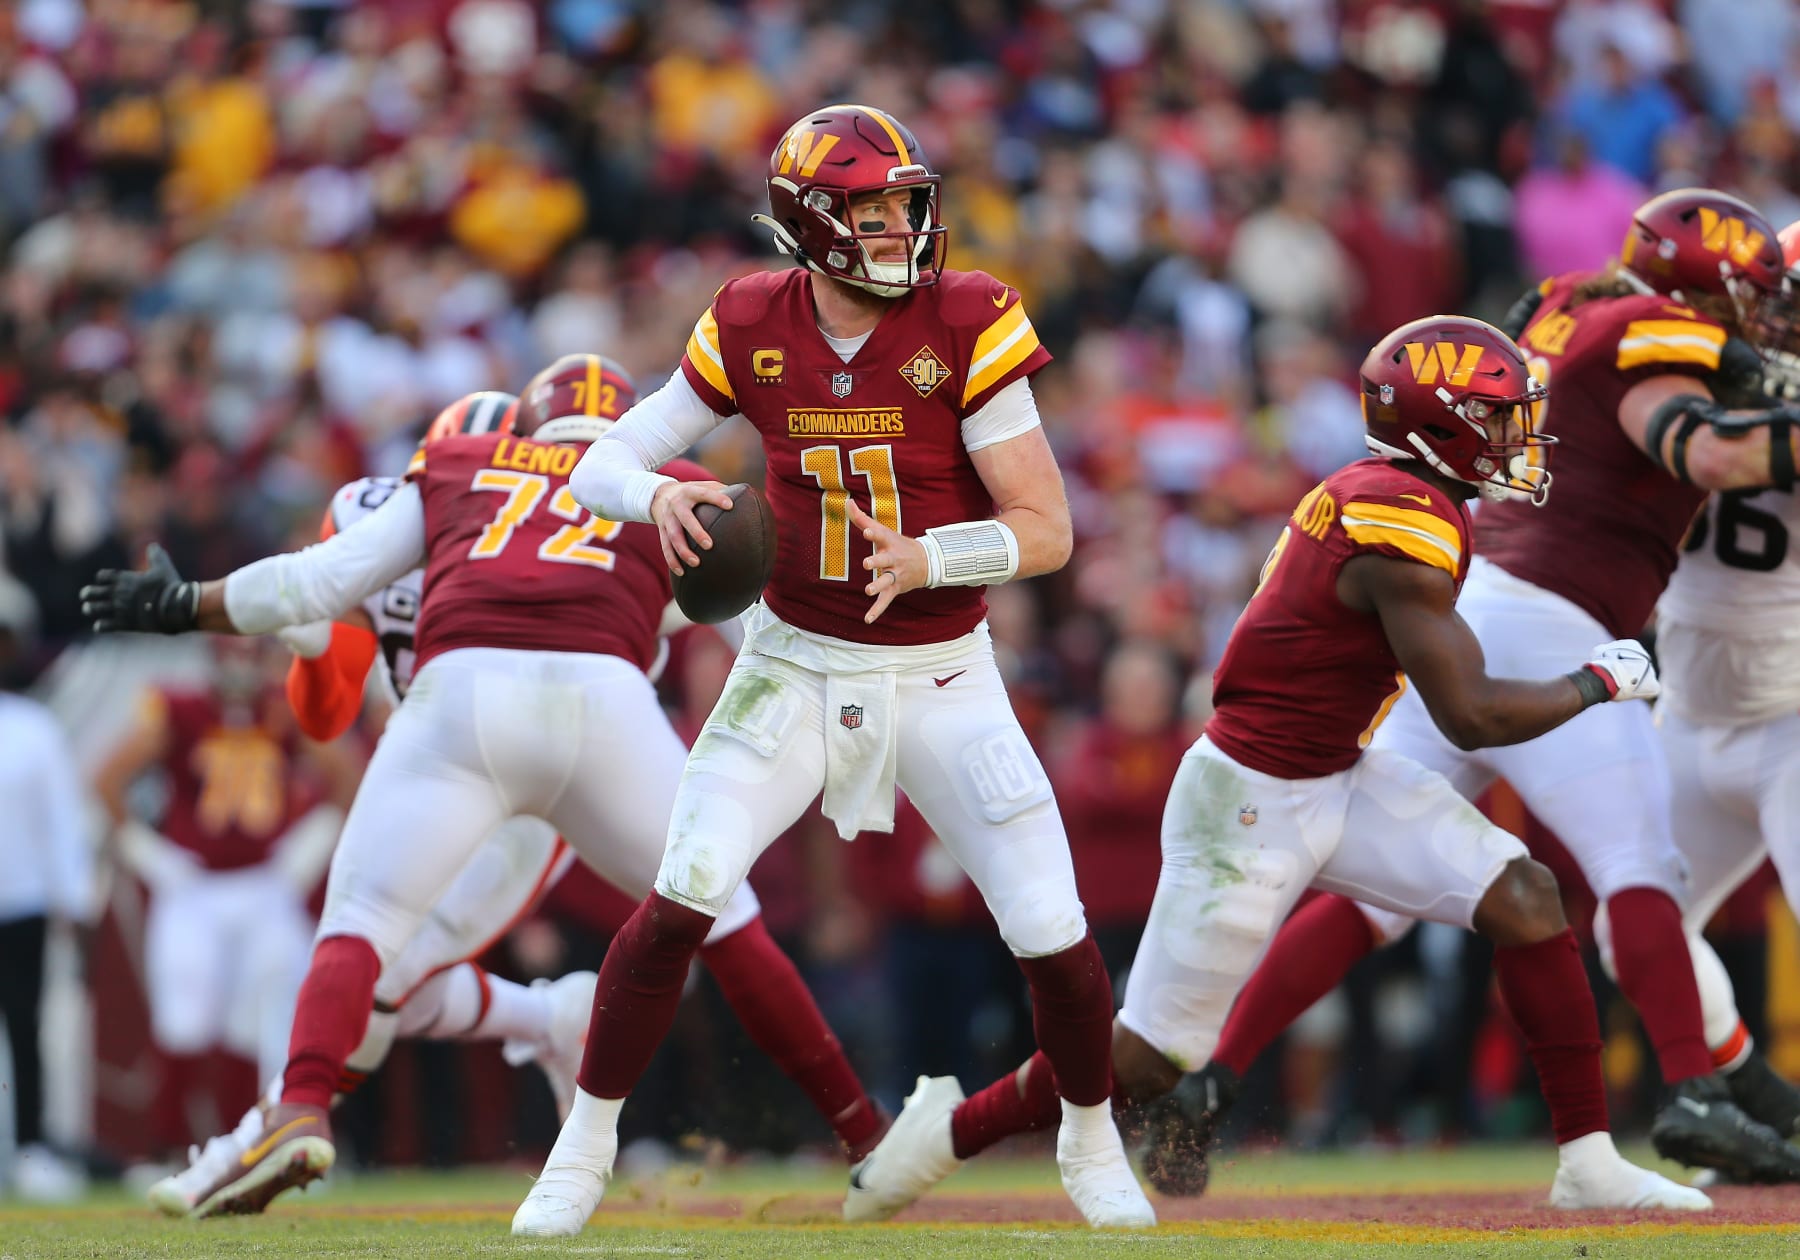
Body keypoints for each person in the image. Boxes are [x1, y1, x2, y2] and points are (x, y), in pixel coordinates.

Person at [849, 315, 1708, 1216]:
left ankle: (1587, 1161)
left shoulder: (1403, 495)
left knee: (1526, 898)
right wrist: (1598, 678)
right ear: (1438, 425)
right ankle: (942, 1137)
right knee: (1143, 1061)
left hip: (1336, 771)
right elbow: (1471, 714)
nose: (1516, 438)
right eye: (1495, 417)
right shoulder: (1399, 523)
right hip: (1251, 801)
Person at [532, 102, 1154, 1235]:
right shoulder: (750, 319)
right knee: (681, 898)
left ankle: (1089, 1139)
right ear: (808, 223)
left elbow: (1048, 528)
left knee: (1053, 933)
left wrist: (931, 554)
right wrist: (659, 492)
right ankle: (581, 1151)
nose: (895, 227)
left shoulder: (968, 315)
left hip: (943, 669)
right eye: (867, 208)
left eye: (900, 203)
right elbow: (607, 458)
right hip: (793, 662)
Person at [79, 366, 884, 1217]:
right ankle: (857, 1126)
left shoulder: (443, 482)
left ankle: (287, 1116)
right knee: (717, 915)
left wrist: (190, 605)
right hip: (592, 720)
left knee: (366, 944)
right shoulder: (645, 493)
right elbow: (743, 612)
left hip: (453, 725)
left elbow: (316, 626)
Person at [1143, 188, 1800, 1189]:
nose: (1764, 317)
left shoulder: (1573, 299)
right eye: (1752, 294)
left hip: (1465, 600)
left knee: (1381, 884)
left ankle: (1215, 1077)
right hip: (1551, 614)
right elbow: (1699, 445)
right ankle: (1692, 1094)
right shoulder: (1659, 338)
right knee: (1638, 864)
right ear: (1702, 287)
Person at [1596, 218, 1800, 1152]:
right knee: (1631, 926)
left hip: (1793, 717)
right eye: (1772, 301)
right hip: (1689, 712)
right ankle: (1766, 1110)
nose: (1774, 322)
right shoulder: (1688, 376)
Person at [93, 634, 360, 1157]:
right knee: (184, 1017)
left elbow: (347, 776)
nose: (238, 665)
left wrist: (306, 847)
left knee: (258, 1019)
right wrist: (150, 854)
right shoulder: (178, 707)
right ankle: (166, 1148)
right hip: (195, 889)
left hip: (264, 886)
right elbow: (105, 780)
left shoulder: (281, 709)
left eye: (247, 652)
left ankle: (249, 1147)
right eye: (228, 652)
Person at [0, 575, 92, 1202]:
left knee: (24, 1028)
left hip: (22, 903)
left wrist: (74, 900)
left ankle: (30, 1145)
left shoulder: (33, 727)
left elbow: (63, 820)